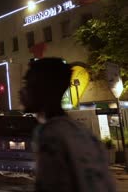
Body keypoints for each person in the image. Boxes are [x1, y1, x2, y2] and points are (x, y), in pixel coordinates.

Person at [20, 58, 115, 192]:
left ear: (41, 89)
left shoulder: (51, 135)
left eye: (27, 85)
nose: (22, 91)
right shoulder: (83, 132)